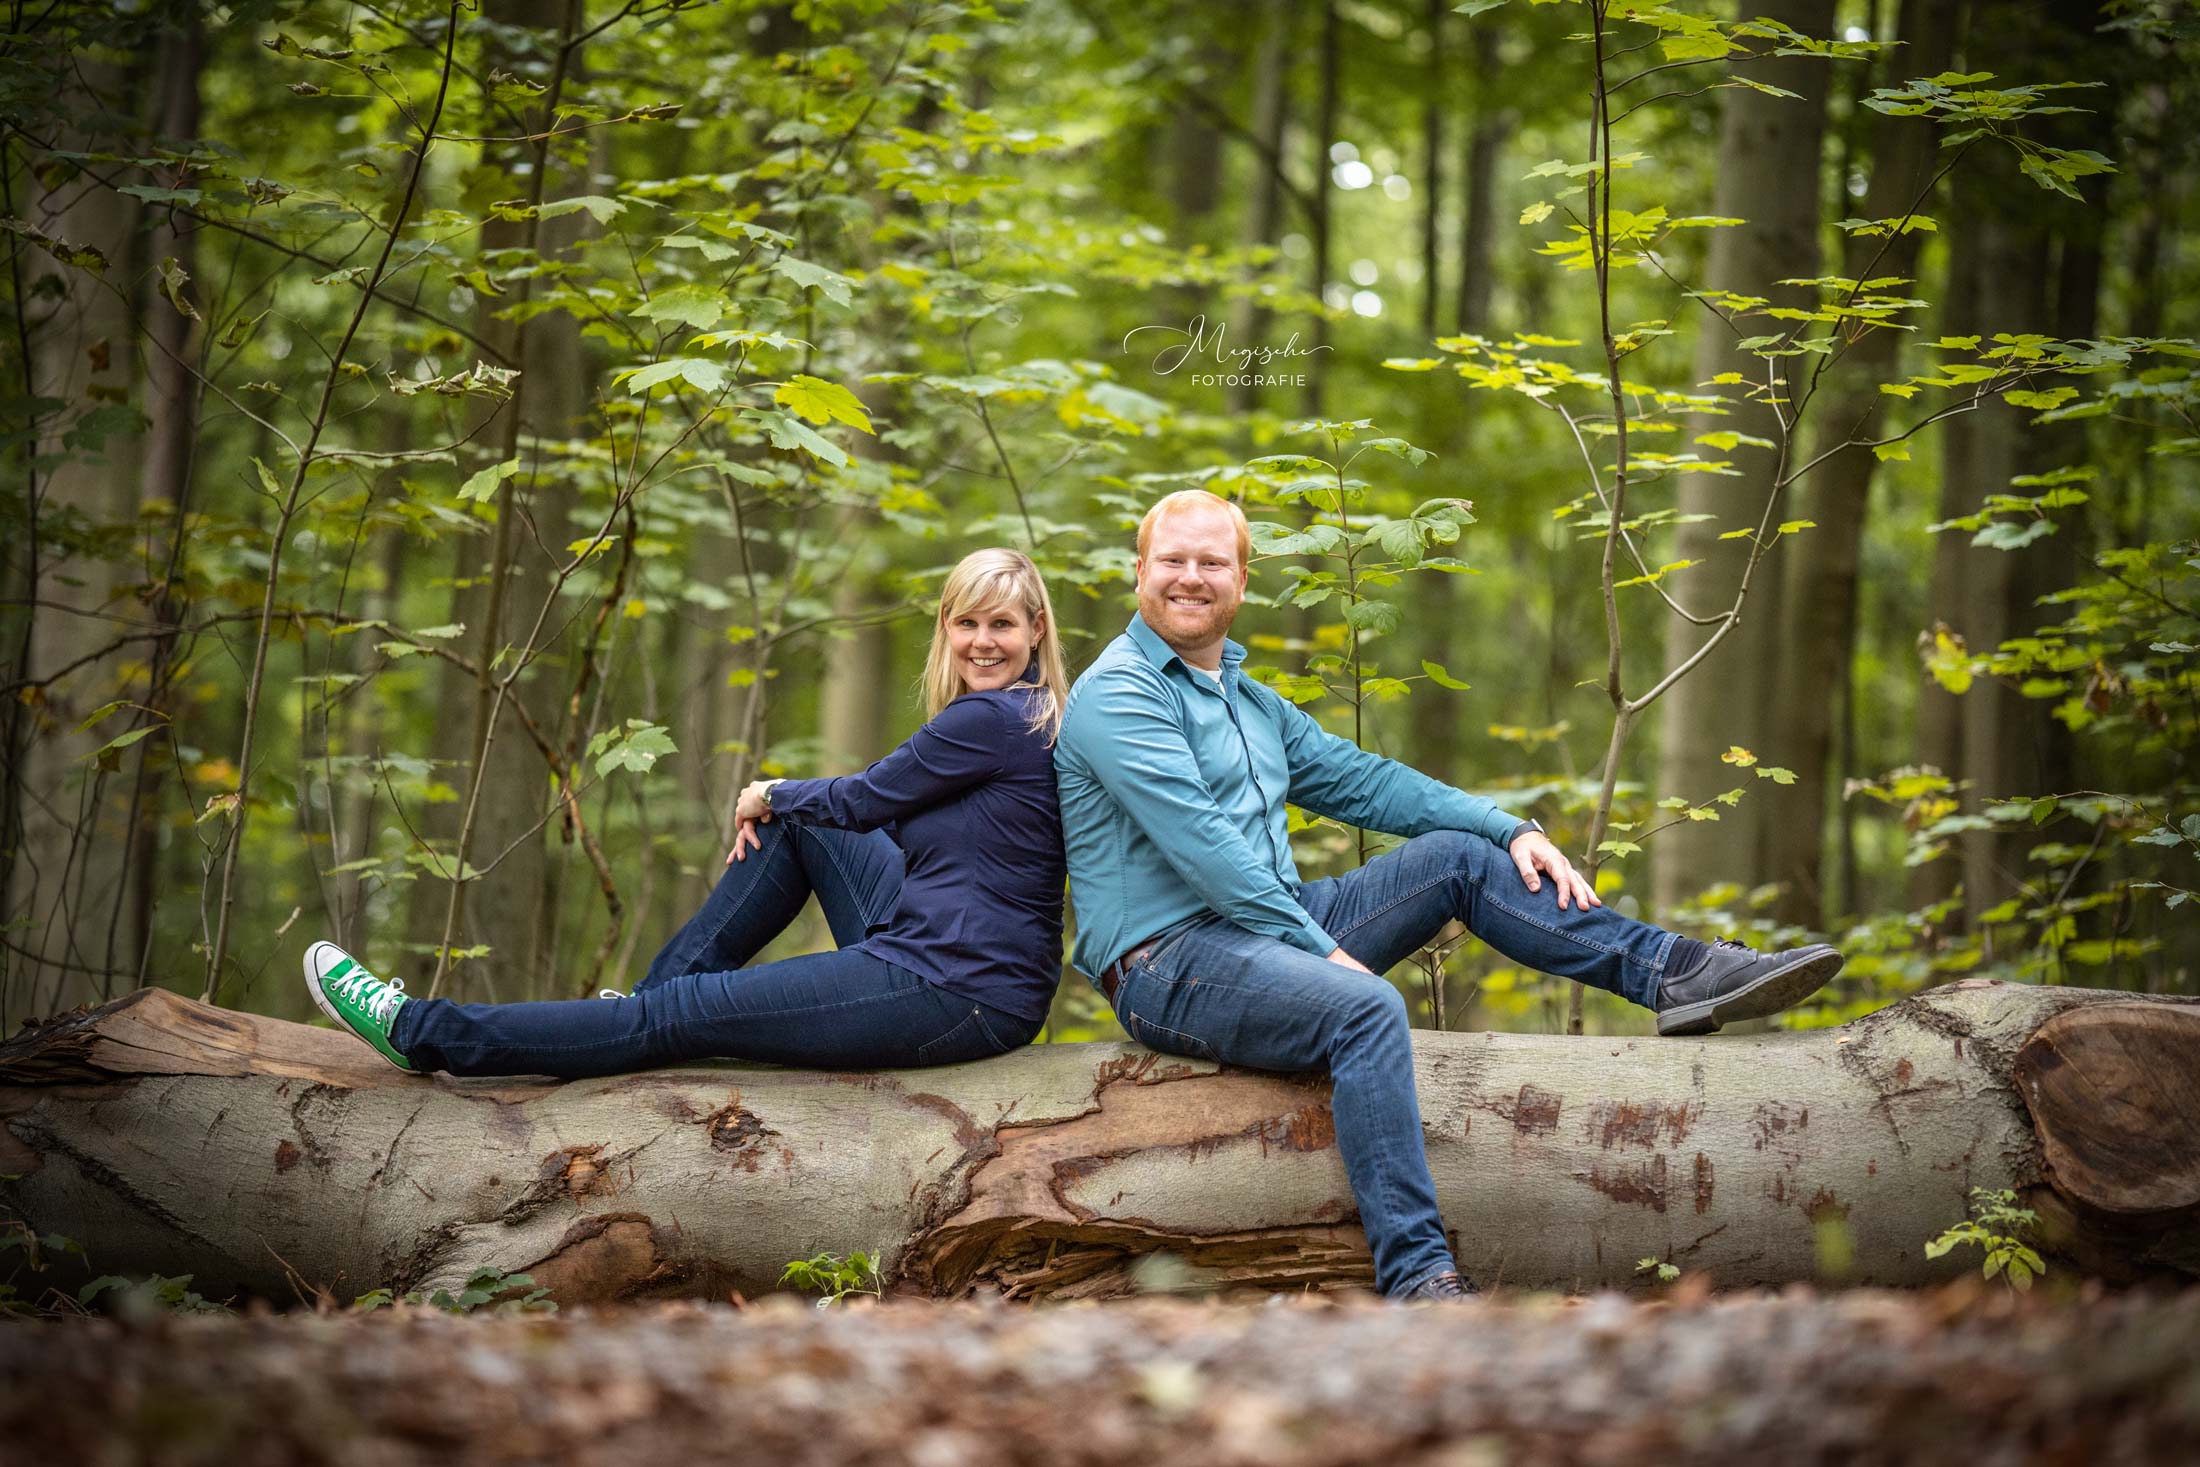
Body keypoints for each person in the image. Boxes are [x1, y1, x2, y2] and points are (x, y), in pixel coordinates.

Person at [1053, 490, 1843, 1302]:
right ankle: (1418, 1279)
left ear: (1243, 580)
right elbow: (1208, 853)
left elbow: (1363, 782)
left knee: (1460, 857)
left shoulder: (1249, 701)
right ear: (1138, 571)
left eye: (1211, 562)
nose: (1191, 577)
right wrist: (1325, 956)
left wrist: (1508, 827)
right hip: (1170, 959)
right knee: (1364, 1009)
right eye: (1173, 560)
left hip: (1272, 927)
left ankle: (1675, 974)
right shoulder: (1120, 693)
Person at [304, 548, 1069, 1078]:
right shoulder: (1022, 719)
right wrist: (791, 808)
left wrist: (768, 792)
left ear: (1037, 631)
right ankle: (643, 1012)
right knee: (800, 828)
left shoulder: (993, 720)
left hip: (955, 987)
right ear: (946, 629)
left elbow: (867, 795)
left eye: (1002, 624)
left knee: (692, 1000)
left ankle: (420, 1032)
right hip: (959, 962)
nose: (982, 641)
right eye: (966, 623)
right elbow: (889, 821)